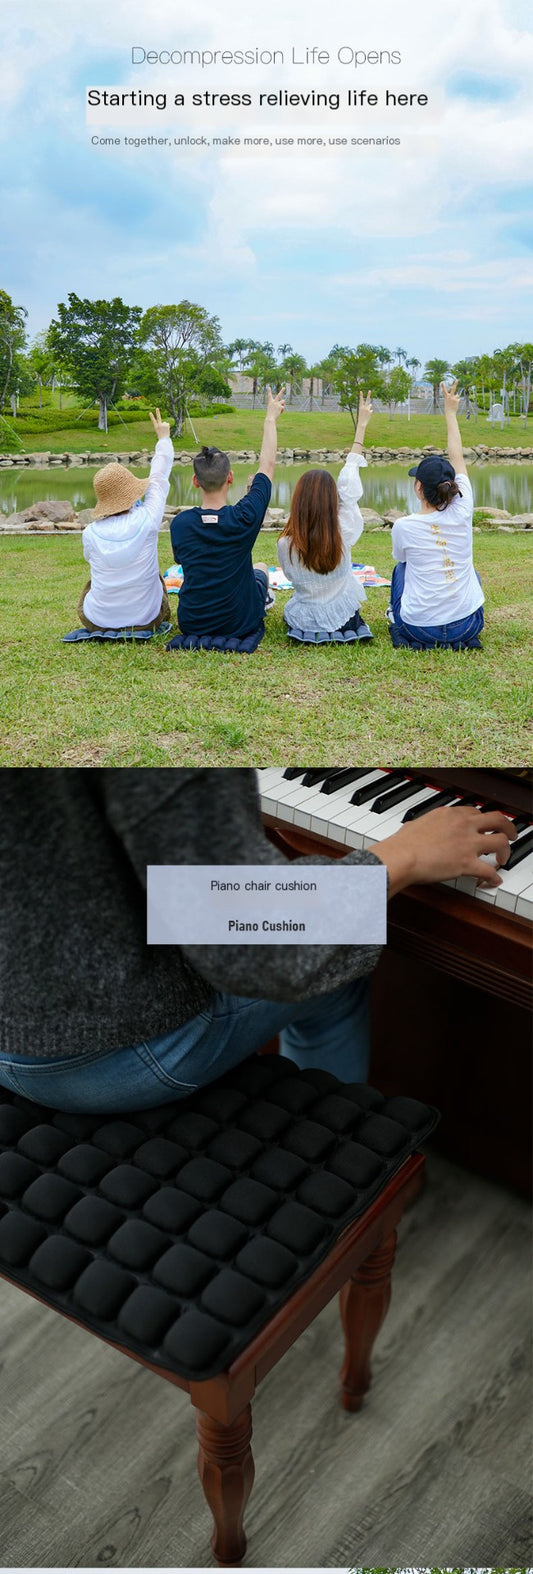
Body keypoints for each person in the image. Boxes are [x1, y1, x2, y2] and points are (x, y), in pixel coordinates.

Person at [0, 769, 515, 1112]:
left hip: (21, 985)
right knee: (339, 964)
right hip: (93, 1051)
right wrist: (400, 856)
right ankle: (336, 1166)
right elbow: (265, 955)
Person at [169, 388, 285, 641]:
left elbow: (182, 561)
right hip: (239, 622)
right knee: (261, 568)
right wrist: (270, 418)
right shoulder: (244, 517)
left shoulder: (180, 524)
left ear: (195, 482)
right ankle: (263, 599)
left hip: (192, 621)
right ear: (230, 478)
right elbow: (267, 466)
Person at [387, 380, 485, 650]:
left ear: (418, 488)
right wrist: (451, 414)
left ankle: (394, 617)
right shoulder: (463, 509)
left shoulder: (404, 526)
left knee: (401, 568)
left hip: (419, 628)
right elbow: (458, 458)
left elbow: (403, 561)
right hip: (468, 625)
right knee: (469, 571)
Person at [277, 391, 374, 644]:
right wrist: (361, 427)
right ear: (333, 501)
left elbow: (289, 578)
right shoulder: (343, 532)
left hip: (303, 617)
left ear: (297, 501)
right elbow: (349, 485)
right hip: (344, 616)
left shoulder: (285, 544)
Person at [77, 409, 173, 632]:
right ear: (131, 494)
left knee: (93, 582)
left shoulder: (90, 533)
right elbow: (159, 477)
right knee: (155, 575)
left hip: (97, 620)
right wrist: (163, 439)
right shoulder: (148, 518)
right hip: (147, 620)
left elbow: (89, 558)